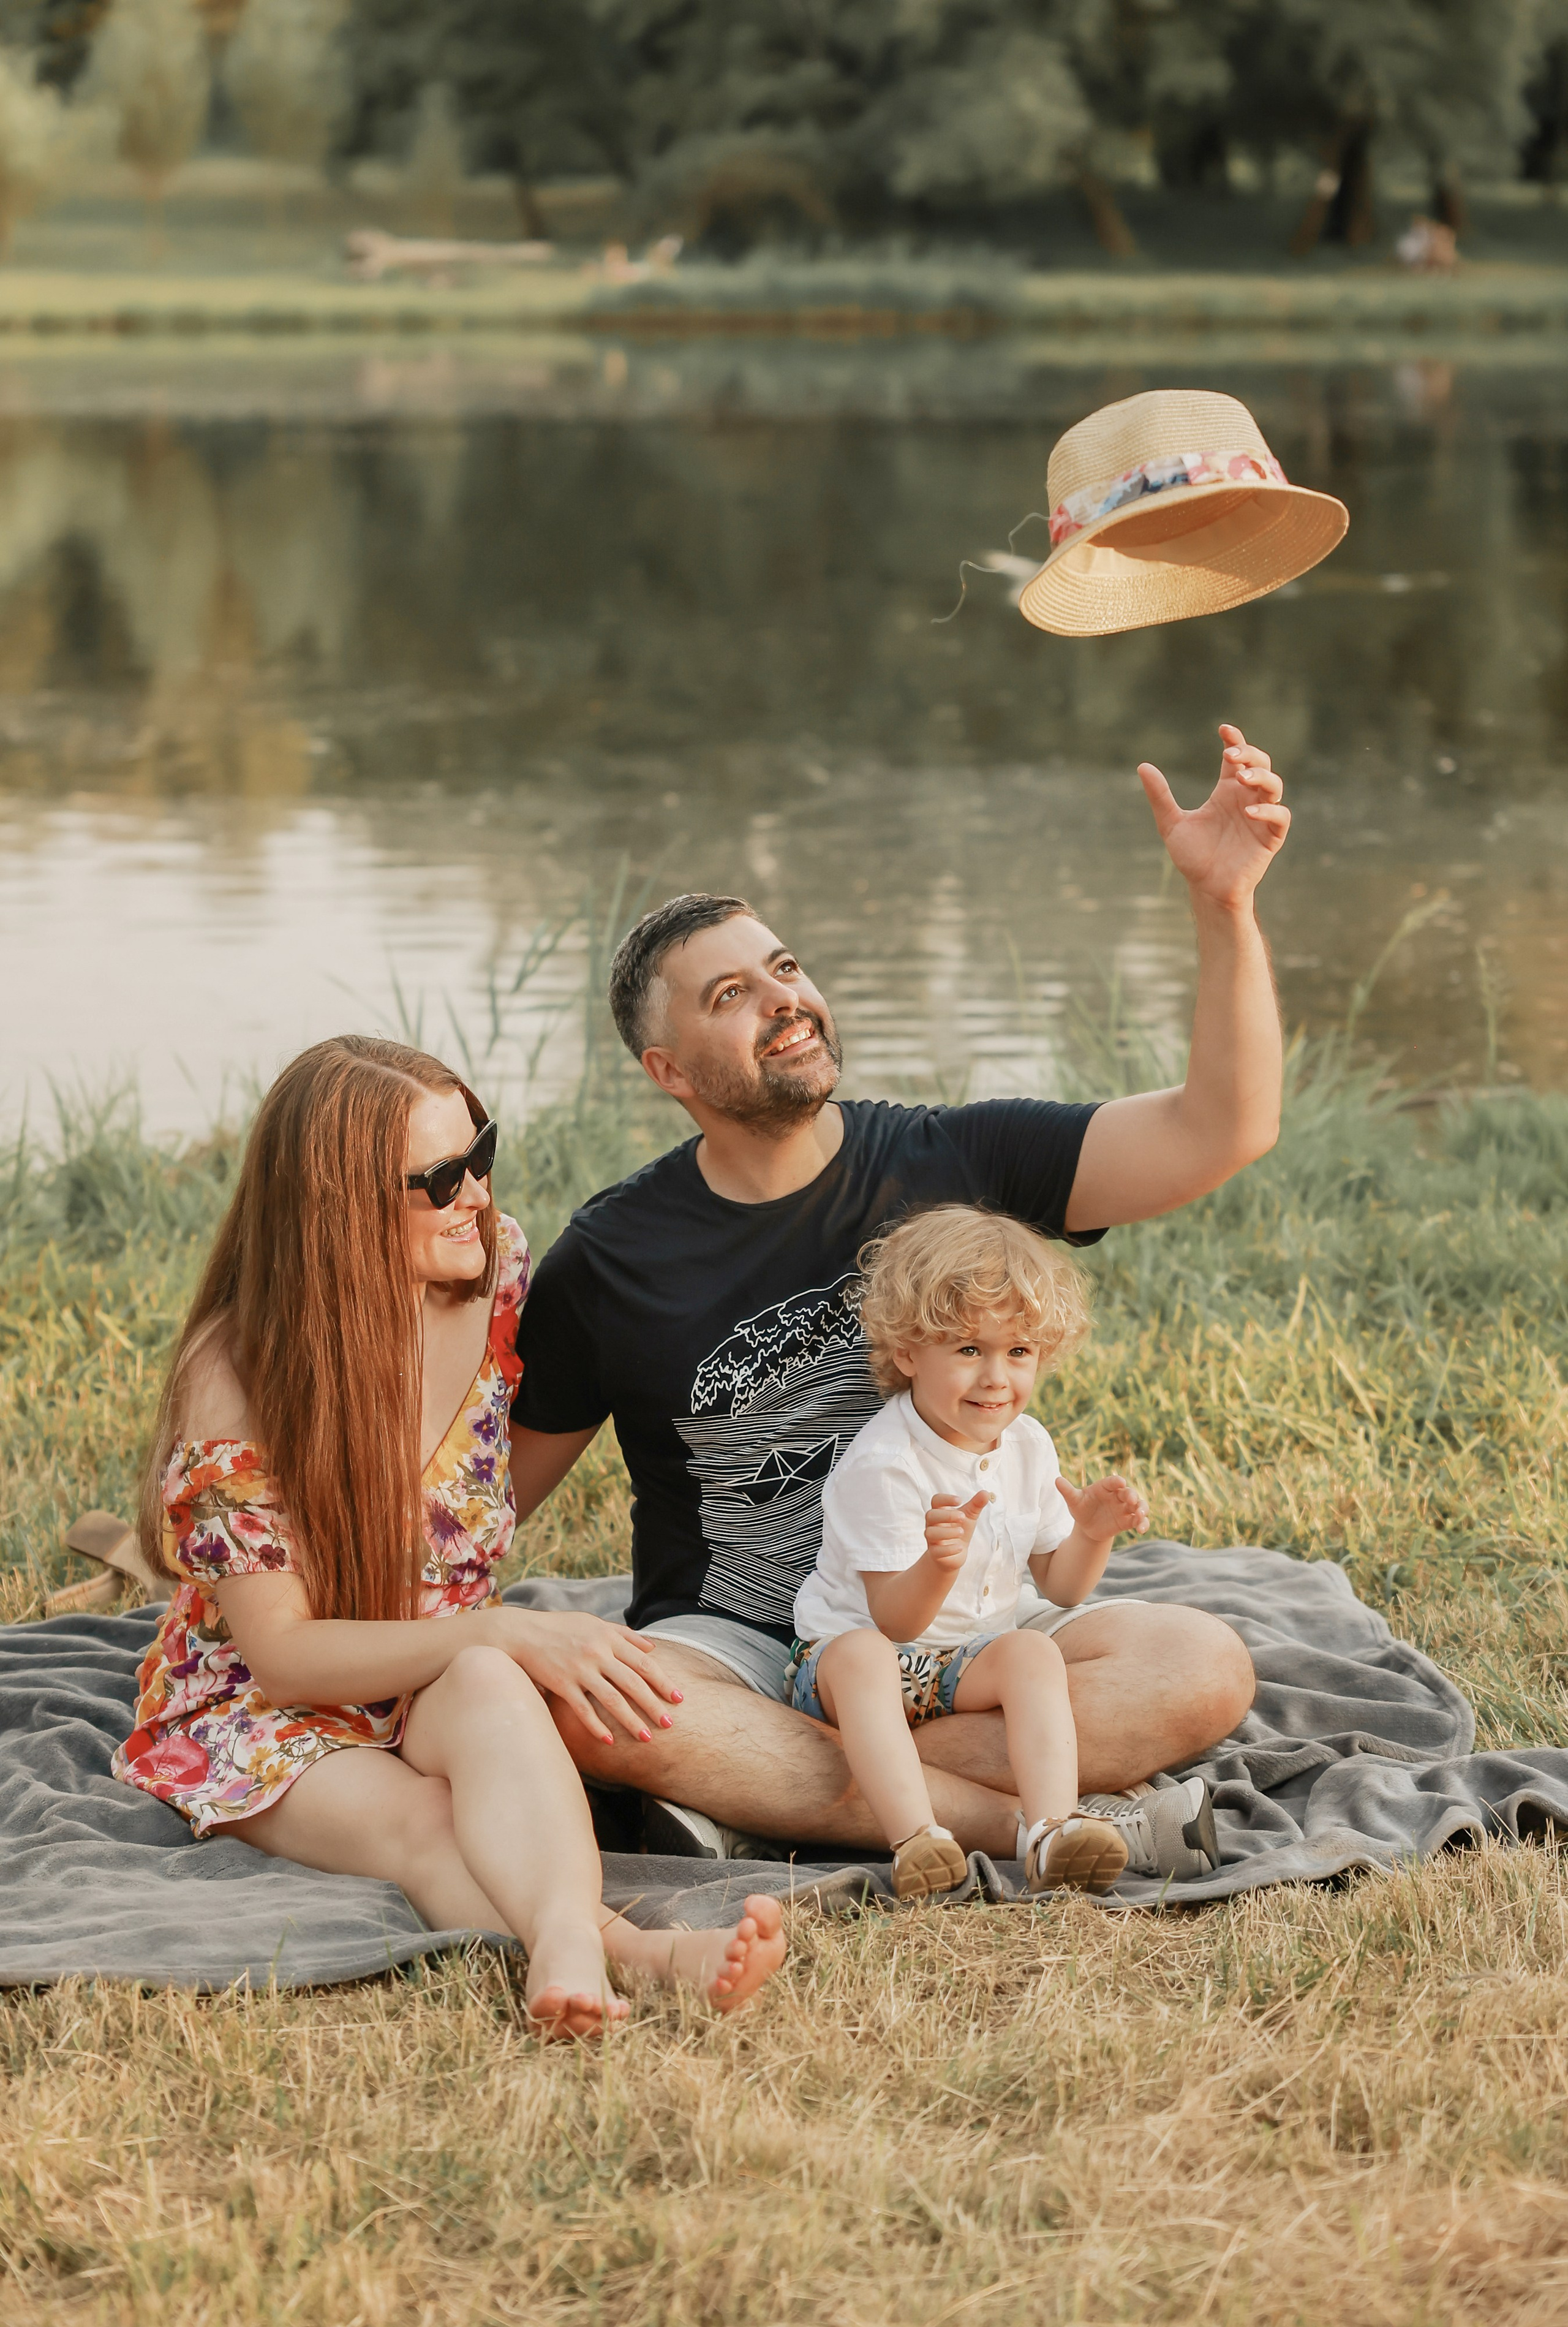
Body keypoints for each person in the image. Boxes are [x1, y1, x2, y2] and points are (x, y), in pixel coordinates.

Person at [510, 724, 1286, 1865]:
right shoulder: (611, 1256)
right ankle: (1060, 1814)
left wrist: (1225, 906)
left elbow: (1223, 1129)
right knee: (592, 1705)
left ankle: (766, 1789)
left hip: (967, 1630)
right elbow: (490, 1505)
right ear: (667, 1070)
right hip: (734, 1644)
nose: (784, 998)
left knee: (1203, 1666)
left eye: (785, 967)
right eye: (732, 992)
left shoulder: (955, 1157)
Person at [113, 1036, 785, 2038]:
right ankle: (624, 1948)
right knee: (429, 1813)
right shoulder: (236, 1376)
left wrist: (492, 1640)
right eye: (438, 1178)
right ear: (335, 1205)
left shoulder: (492, 1265)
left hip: (434, 1657)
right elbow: (286, 1657)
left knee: (488, 1687)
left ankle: (571, 1936)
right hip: (265, 1703)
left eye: (482, 1153)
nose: (475, 1192)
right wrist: (502, 1632)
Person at [790, 1206, 1162, 1900]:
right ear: (907, 1352)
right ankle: (917, 1837)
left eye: (1017, 1352)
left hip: (954, 1663)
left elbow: (1062, 1588)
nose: (996, 1377)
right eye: (968, 1350)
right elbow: (895, 1621)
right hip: (848, 1660)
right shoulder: (886, 1463)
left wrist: (1091, 1533)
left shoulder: (1027, 1446)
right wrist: (938, 1562)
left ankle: (1050, 1830)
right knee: (864, 1656)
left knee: (1032, 1651)